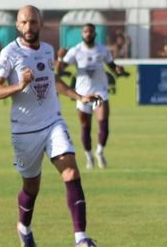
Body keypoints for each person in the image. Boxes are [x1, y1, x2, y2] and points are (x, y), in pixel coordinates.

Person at [0, 6, 105, 247]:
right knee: (31, 187)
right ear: (18, 26)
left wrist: (80, 96)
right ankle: (24, 226)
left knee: (71, 171)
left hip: (52, 122)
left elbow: (53, 81)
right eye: (24, 22)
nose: (29, 27)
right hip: (24, 130)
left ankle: (81, 239)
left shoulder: (48, 50)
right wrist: (19, 85)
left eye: (33, 22)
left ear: (41, 24)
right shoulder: (10, 53)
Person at [55, 23, 128, 169]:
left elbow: (113, 67)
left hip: (100, 91)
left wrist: (119, 70)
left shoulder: (102, 50)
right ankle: (89, 157)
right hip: (82, 94)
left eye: (90, 31)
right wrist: (60, 58)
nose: (88, 34)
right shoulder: (76, 51)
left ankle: (99, 152)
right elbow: (59, 70)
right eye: (85, 31)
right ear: (82, 34)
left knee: (103, 123)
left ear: (95, 34)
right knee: (85, 126)